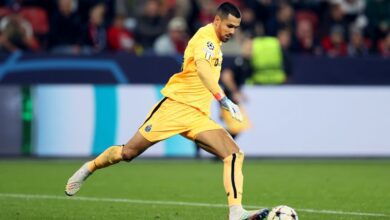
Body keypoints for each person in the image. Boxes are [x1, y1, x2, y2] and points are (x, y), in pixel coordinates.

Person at [65, 2, 269, 220]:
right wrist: (222, 98)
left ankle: (236, 212)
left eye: (236, 28)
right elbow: (202, 70)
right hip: (174, 108)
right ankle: (90, 167)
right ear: (217, 20)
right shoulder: (206, 38)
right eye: (229, 26)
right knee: (128, 153)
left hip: (197, 116)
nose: (232, 32)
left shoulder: (217, 43)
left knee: (234, 154)